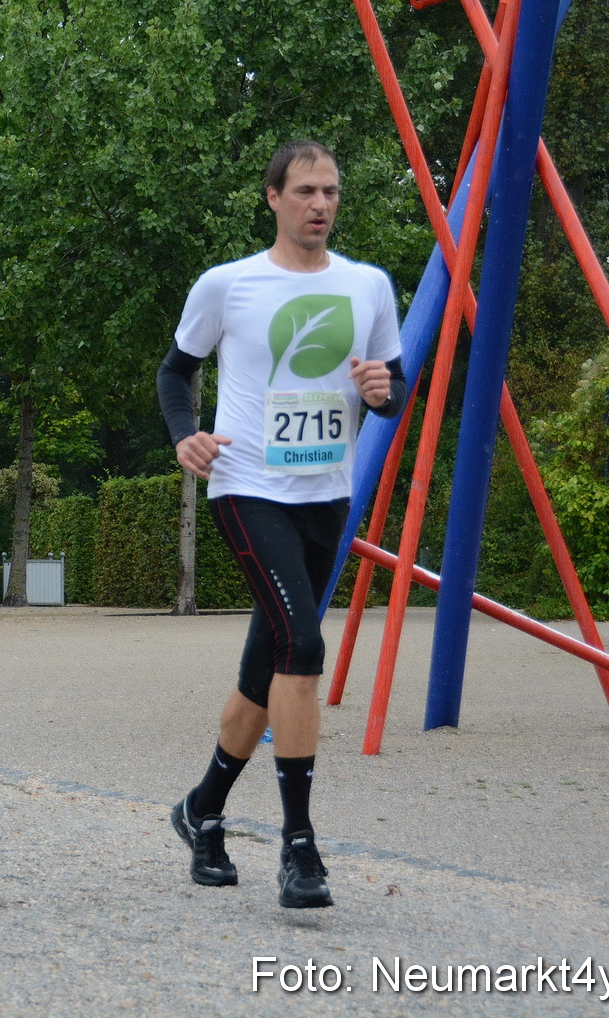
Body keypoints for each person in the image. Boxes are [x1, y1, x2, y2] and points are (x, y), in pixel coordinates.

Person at [156, 140, 406, 910]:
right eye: (304, 190)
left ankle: (202, 810)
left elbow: (394, 383)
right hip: (246, 485)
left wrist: (382, 389)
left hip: (327, 495)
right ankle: (300, 847)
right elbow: (176, 371)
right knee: (302, 641)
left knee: (269, 667)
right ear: (272, 197)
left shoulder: (369, 285)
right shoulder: (228, 285)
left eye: (330, 190)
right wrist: (182, 435)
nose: (320, 204)